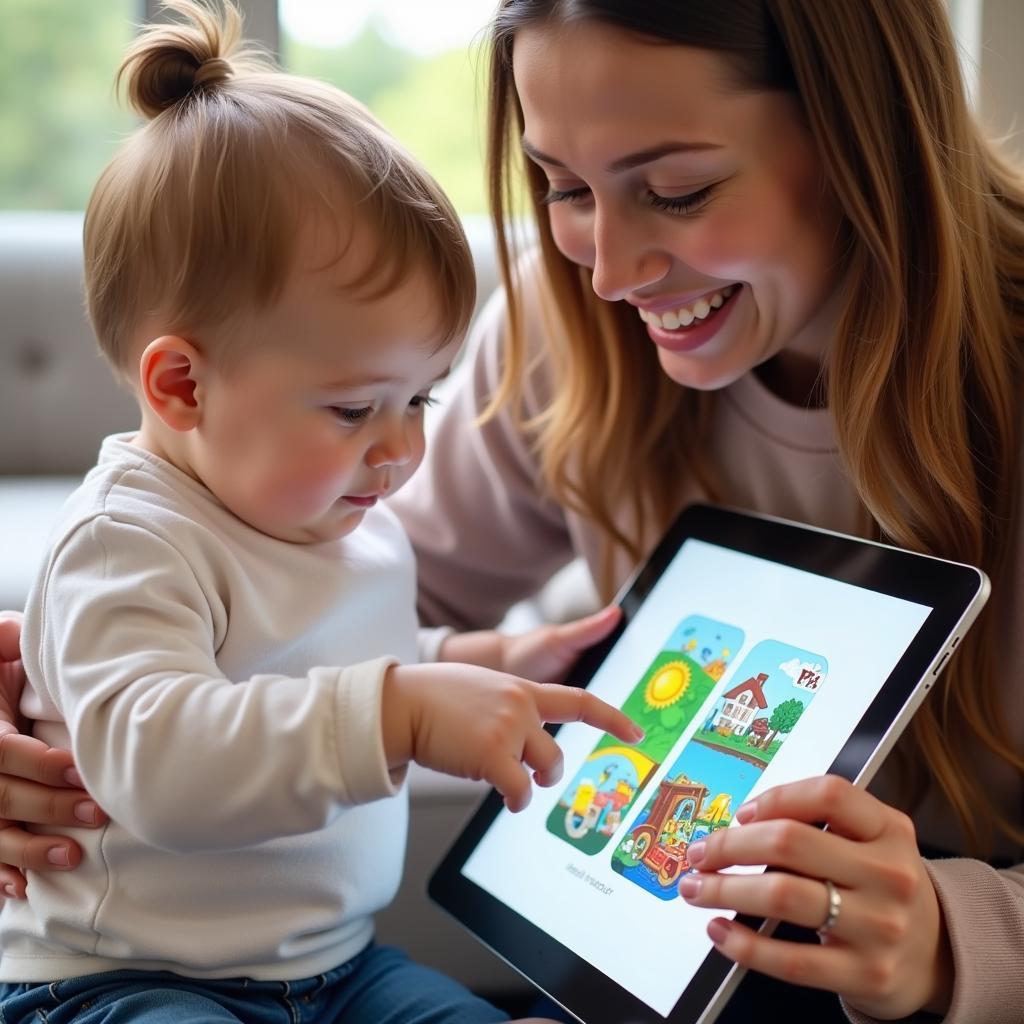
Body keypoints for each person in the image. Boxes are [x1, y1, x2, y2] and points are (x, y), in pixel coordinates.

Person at [1, 0, 1023, 1021]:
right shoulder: (568, 326)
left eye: (677, 189)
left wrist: (951, 936)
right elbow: (314, 608)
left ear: (862, 132)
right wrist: (42, 694)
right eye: (565, 187)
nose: (609, 270)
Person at [0, 2, 646, 1022]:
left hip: (339, 968)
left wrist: (474, 661)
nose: (401, 450)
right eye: (354, 408)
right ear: (181, 388)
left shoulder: (340, 510)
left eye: (419, 399)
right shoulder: (128, 541)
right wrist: (400, 710)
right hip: (120, 980)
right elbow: (159, 760)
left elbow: (325, 658)